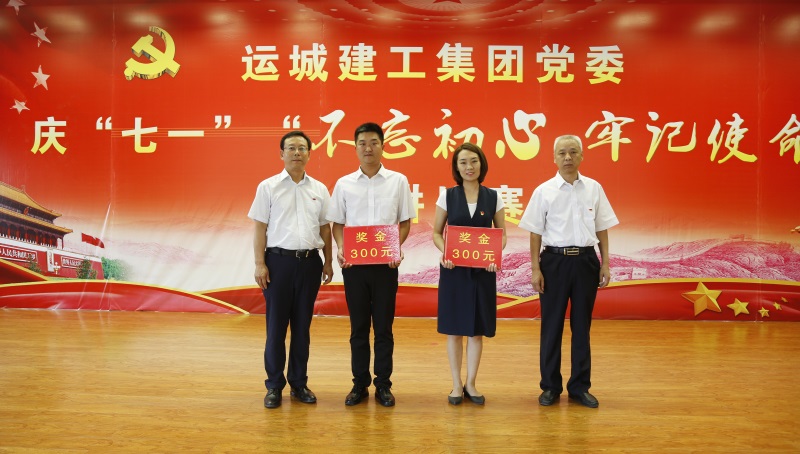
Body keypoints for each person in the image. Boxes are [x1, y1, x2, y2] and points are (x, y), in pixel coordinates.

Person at [518, 134, 618, 409]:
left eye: (573, 152)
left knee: (582, 327)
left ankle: (579, 387)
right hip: (554, 262)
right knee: (551, 327)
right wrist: (536, 269)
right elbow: (535, 233)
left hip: (586, 261)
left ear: (582, 156)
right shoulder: (544, 191)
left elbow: (602, 228)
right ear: (554, 158)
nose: (568, 157)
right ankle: (550, 386)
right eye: (562, 153)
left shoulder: (594, 188)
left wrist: (605, 263)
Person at [327, 122, 414, 407]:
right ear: (355, 148)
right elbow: (338, 224)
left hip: (386, 266)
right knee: (359, 328)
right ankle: (359, 384)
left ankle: (383, 385)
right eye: (362, 143)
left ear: (383, 146)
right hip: (354, 267)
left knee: (384, 328)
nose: (368, 148)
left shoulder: (398, 181)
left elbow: (405, 222)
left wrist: (395, 247)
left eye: (374, 142)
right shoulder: (344, 183)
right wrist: (341, 248)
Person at [248, 130, 333, 409]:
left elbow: (325, 228)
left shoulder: (319, 189)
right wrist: (259, 263)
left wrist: (328, 261)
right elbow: (259, 227)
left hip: (310, 263)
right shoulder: (268, 187)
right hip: (278, 264)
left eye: (302, 148)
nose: (297, 153)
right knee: (276, 328)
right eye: (291, 148)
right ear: (281, 153)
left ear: (309, 153)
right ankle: (274, 385)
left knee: (302, 327)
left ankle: (299, 383)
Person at [432, 143, 506, 405]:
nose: (469, 167)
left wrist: (494, 256)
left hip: (483, 272)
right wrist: (446, 252)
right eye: (463, 162)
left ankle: (471, 383)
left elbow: (501, 234)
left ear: (481, 164)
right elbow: (436, 233)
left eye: (473, 161)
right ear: (456, 167)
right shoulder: (447, 196)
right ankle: (455, 384)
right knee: (454, 330)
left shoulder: (494, 197)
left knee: (476, 331)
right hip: (454, 271)